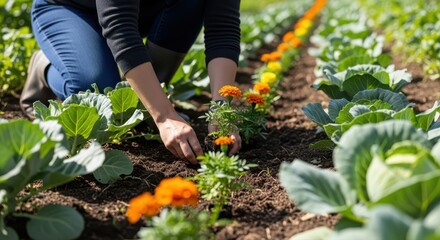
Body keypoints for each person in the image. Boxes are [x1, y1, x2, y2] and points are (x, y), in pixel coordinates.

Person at [20, 0, 242, 164]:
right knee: (95, 92)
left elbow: (223, 29)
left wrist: (221, 113)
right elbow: (119, 26)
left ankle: (147, 97)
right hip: (72, 9)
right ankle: (45, 66)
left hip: (145, 10)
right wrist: (165, 117)